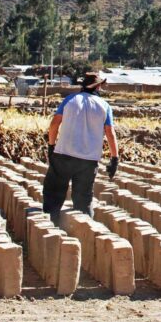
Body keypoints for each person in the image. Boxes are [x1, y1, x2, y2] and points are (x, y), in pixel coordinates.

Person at [43, 73, 119, 225]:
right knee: (83, 199)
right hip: (88, 161)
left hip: (64, 155)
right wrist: (114, 158)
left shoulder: (70, 100)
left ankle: (52, 224)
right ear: (98, 86)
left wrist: (51, 146)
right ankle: (85, 232)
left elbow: (54, 124)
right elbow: (110, 133)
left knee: (54, 194)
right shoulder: (105, 106)